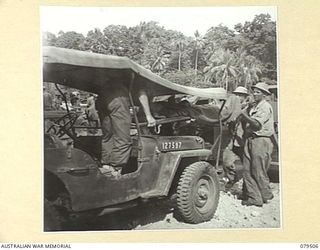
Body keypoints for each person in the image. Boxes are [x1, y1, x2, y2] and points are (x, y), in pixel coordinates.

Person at [96, 82, 156, 176]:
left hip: (102, 97)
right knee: (123, 138)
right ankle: (115, 170)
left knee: (108, 135)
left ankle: (106, 165)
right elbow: (142, 94)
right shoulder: (138, 78)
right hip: (118, 98)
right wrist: (149, 116)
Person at [239, 82, 275, 207]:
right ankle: (255, 198)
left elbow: (256, 124)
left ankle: (266, 195)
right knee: (246, 170)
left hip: (261, 140)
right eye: (254, 91)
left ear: (264, 95)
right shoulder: (254, 106)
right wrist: (246, 108)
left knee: (258, 170)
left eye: (258, 92)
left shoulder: (265, 106)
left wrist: (243, 114)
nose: (254, 93)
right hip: (251, 139)